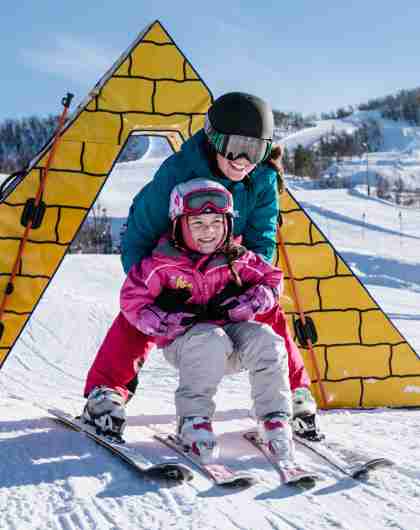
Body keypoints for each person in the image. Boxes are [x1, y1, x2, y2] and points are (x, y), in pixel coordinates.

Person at [82, 92, 320, 441]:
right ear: (213, 139)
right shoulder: (178, 171)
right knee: (137, 316)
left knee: (270, 313)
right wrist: (153, 287)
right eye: (234, 147)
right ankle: (106, 392)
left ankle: (294, 393)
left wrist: (247, 284)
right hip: (172, 263)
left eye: (254, 150)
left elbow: (262, 239)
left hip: (225, 264)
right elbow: (137, 236)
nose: (242, 160)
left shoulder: (263, 179)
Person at [89, 179, 296, 462]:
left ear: (228, 224)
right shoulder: (161, 265)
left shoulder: (238, 258)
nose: (208, 232)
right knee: (209, 339)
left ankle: (274, 418)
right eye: (197, 224)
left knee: (267, 340)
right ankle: (193, 421)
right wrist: (163, 320)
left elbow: (272, 280)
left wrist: (250, 301)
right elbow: (132, 299)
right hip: (187, 344)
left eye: (216, 223)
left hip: (232, 341)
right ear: (178, 225)